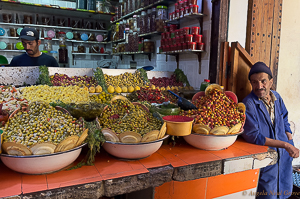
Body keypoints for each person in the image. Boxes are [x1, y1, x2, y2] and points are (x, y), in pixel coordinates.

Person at [242, 61, 299, 199]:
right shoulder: (248, 104)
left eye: (263, 81)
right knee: (267, 194)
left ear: (271, 81)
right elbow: (254, 136)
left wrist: (289, 139)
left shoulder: (277, 97)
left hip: (284, 157)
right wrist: (285, 145)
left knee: (285, 192)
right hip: (265, 159)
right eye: (254, 82)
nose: (259, 86)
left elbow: (285, 118)